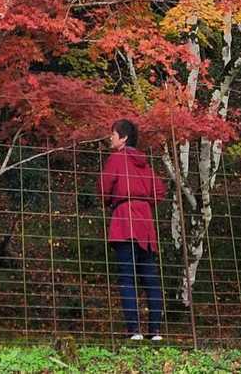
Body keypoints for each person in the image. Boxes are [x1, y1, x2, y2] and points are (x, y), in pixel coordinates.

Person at [99, 118, 167, 342]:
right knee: (150, 278)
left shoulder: (116, 159)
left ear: (123, 137)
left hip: (124, 220)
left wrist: (112, 200)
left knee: (127, 277)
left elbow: (104, 187)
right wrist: (144, 202)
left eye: (113, 134)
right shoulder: (144, 163)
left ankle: (134, 330)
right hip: (145, 223)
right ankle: (155, 332)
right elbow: (159, 190)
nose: (111, 137)